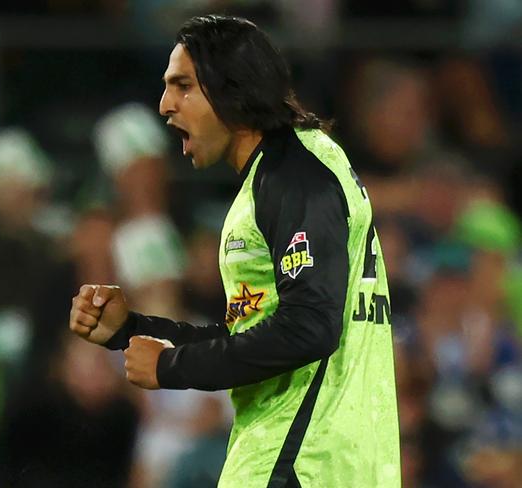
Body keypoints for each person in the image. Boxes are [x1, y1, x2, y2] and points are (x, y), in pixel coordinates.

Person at [70, 14, 400, 487]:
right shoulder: (296, 167)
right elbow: (255, 334)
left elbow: (310, 328)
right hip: (320, 459)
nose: (165, 105)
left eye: (182, 86)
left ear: (230, 87)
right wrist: (134, 330)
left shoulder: (291, 177)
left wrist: (169, 367)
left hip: (299, 461)